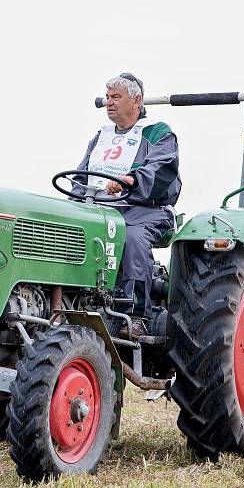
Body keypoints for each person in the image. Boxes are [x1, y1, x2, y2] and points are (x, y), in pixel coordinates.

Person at [74, 73, 181, 338]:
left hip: (145, 210)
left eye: (116, 97)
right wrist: (76, 201)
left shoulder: (158, 133)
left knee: (131, 236)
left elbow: (162, 171)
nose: (109, 102)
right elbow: (81, 176)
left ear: (136, 100)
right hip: (101, 208)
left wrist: (130, 182)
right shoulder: (102, 136)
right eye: (107, 97)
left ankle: (136, 315)